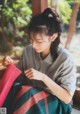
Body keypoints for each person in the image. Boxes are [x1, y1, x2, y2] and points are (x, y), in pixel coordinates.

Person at [3, 8, 76, 114]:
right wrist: (11, 64)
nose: (33, 45)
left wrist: (43, 77)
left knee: (29, 93)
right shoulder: (28, 50)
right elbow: (20, 77)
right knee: (15, 88)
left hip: (58, 103)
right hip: (30, 95)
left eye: (39, 41)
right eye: (31, 40)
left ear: (53, 37)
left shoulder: (65, 59)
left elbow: (67, 98)